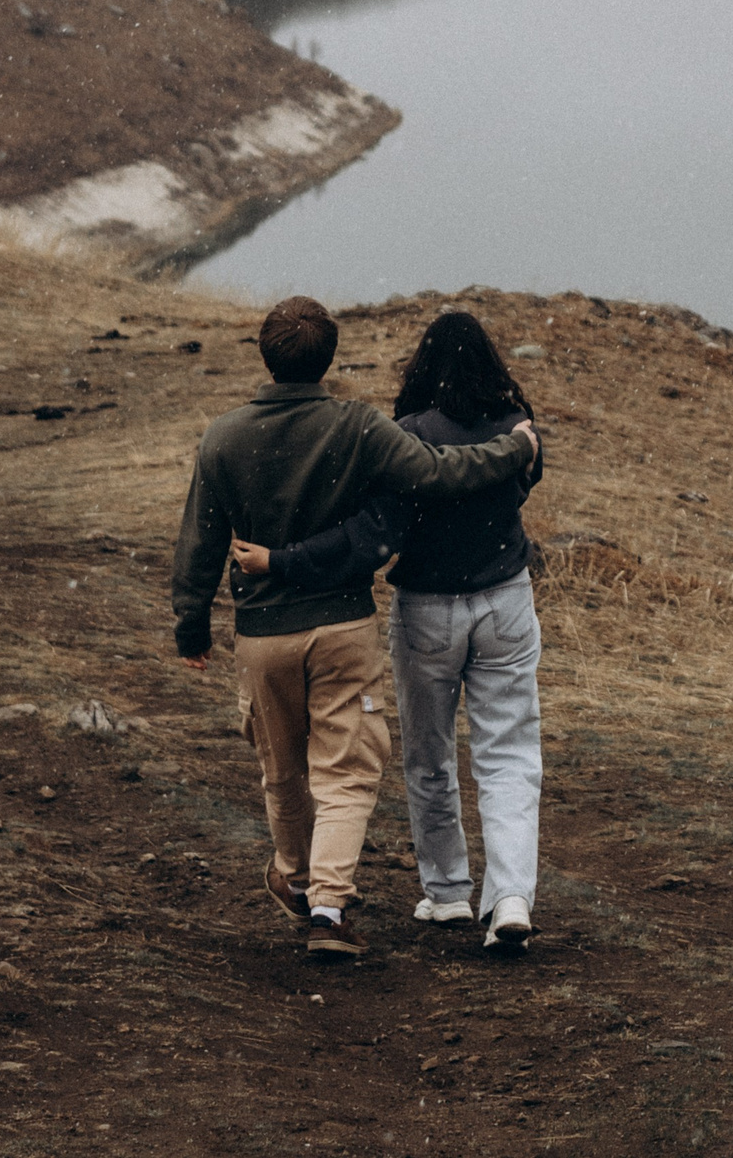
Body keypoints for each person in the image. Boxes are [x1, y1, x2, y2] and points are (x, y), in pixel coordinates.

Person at [171, 296, 538, 960]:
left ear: (264, 352)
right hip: (357, 622)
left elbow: (201, 542)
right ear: (330, 356)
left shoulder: (223, 437)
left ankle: (338, 878)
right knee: (353, 772)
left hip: (273, 631)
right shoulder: (361, 428)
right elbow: (445, 474)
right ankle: (336, 908)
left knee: (287, 768)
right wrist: (514, 449)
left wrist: (191, 625)